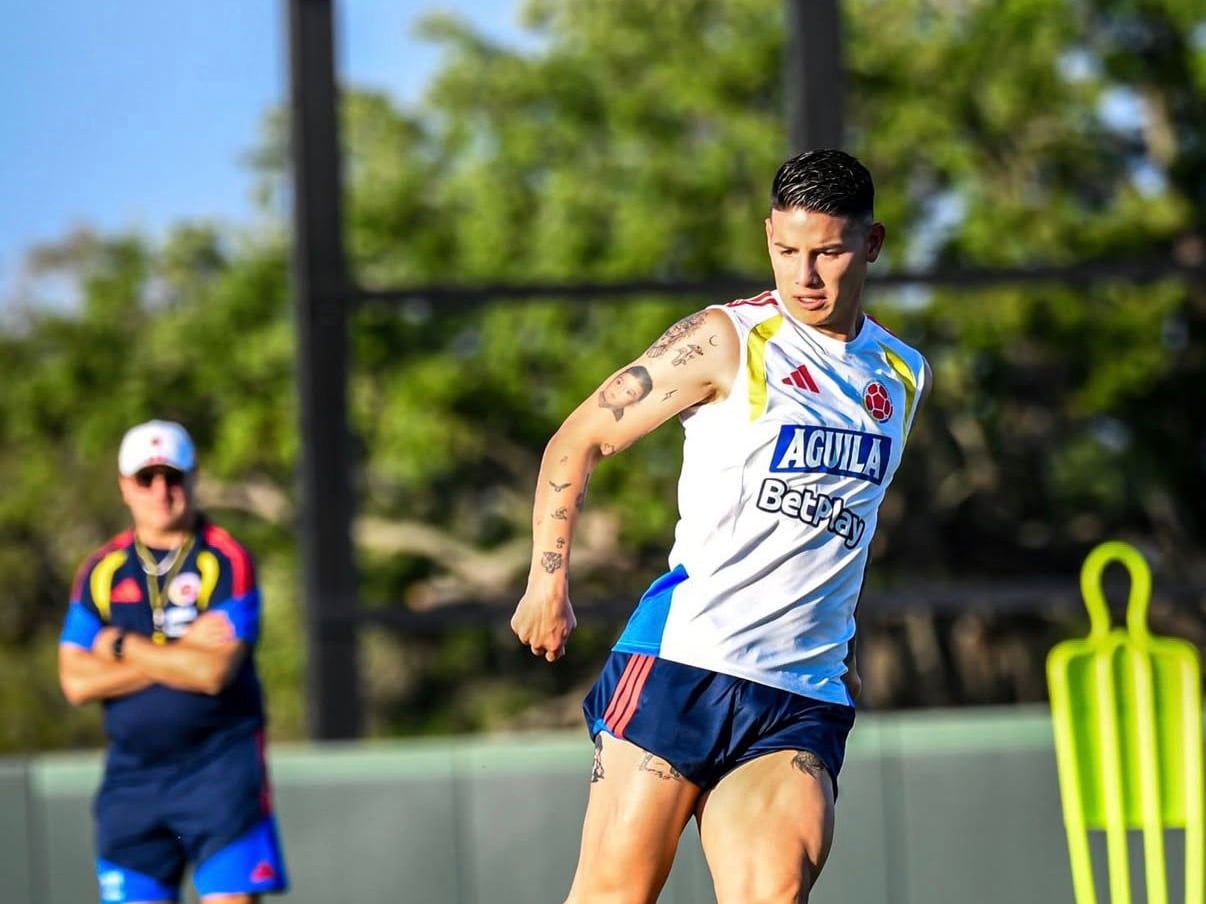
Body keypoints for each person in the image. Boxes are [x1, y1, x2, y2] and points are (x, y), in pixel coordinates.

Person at [511, 148, 931, 903]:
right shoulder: (727, 339)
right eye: (787, 249)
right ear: (769, 233)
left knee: (773, 892)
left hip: (800, 692)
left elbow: (844, 526)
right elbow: (579, 439)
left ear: (871, 244)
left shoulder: (900, 374)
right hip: (686, 664)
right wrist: (547, 581)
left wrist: (850, 645)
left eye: (829, 252)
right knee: (616, 894)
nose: (804, 274)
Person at [58, 420, 289, 904]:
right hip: (133, 782)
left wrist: (122, 646)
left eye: (173, 477)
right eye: (147, 478)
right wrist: (180, 653)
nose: (161, 491)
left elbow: (212, 673)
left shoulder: (224, 560)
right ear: (125, 486)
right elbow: (77, 681)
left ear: (193, 478)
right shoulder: (101, 570)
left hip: (219, 774)